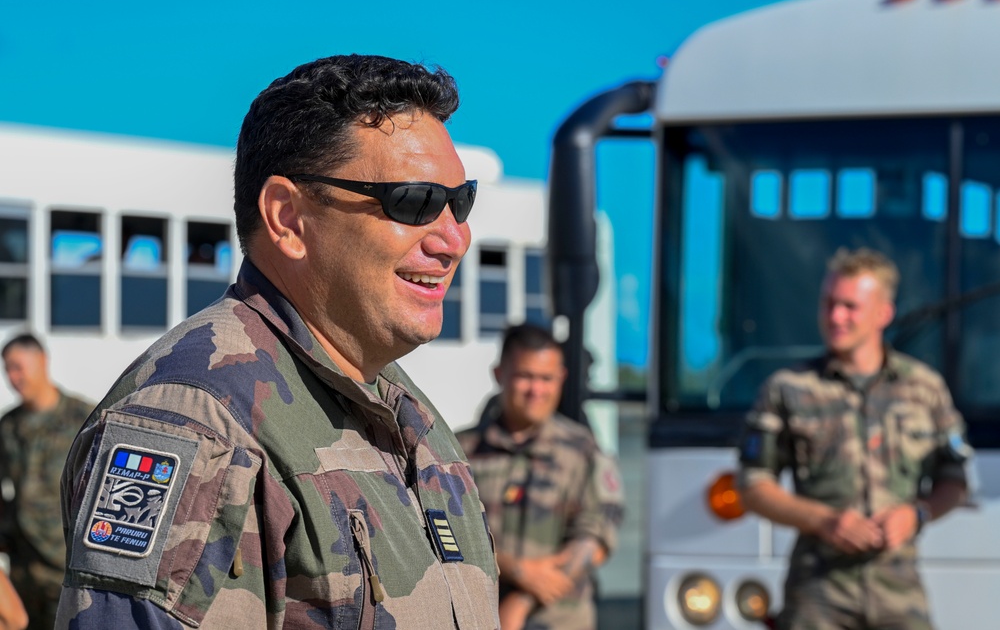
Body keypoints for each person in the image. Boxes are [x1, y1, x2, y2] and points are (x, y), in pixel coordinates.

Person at [57, 55, 500, 629]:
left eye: (458, 202)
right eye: (411, 202)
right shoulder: (195, 425)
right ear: (287, 218)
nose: (452, 239)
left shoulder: (404, 411)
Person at [737, 248, 972, 630]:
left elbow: (956, 480)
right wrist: (824, 520)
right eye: (828, 304)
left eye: (850, 306)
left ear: (883, 313)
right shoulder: (787, 389)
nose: (835, 317)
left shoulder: (924, 388)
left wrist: (916, 514)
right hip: (817, 597)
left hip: (898, 596)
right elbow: (752, 487)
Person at [457, 324, 624, 630]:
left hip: (559, 620)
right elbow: (447, 533)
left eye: (546, 378)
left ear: (561, 378)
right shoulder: (459, 453)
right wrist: (515, 569)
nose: (536, 390)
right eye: (525, 376)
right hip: (478, 617)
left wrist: (522, 599)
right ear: (499, 375)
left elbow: (596, 535)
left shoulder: (584, 451)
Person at [0, 334, 92, 630]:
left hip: (64, 566)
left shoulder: (84, 418)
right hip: (24, 569)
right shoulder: (9, 425)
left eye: (18, 367)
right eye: (7, 370)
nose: (13, 378)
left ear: (41, 361)